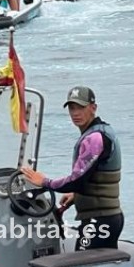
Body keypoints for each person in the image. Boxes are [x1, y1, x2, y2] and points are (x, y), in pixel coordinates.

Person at [20, 86, 124, 251]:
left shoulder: (94, 138)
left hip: (98, 221)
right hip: (108, 218)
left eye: (81, 107)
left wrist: (45, 182)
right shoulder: (103, 131)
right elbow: (94, 176)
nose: (76, 113)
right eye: (72, 108)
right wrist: (76, 196)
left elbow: (77, 181)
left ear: (93, 108)